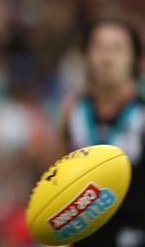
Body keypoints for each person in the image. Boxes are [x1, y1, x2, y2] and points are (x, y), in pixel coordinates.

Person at [61, 17, 145, 247]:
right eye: (100, 47)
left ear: (134, 58)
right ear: (86, 55)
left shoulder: (141, 114)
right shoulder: (73, 112)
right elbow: (56, 179)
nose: (107, 58)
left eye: (117, 48)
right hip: (84, 238)